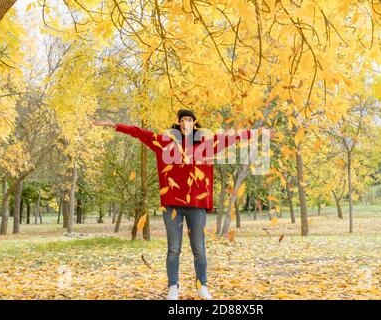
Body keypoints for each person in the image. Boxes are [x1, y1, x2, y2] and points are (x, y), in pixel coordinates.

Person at [94, 109, 271, 300]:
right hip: (172, 205)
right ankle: (173, 288)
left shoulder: (206, 145)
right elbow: (140, 133)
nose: (186, 123)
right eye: (183, 120)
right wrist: (115, 125)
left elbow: (231, 138)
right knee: (173, 248)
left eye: (190, 120)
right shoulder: (165, 143)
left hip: (197, 205)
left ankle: (202, 286)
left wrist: (257, 133)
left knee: (199, 248)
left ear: (194, 124)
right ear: (178, 123)